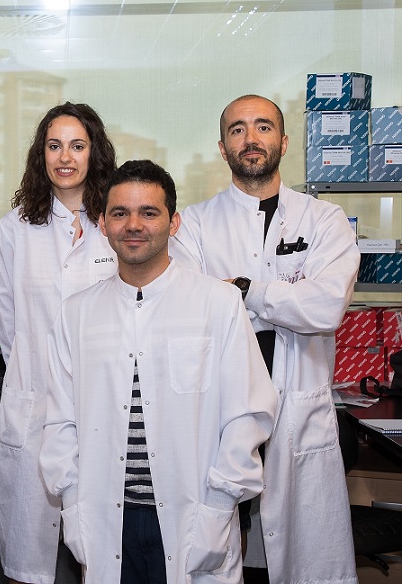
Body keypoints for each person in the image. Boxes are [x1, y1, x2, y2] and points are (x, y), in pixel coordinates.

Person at [40, 159, 276, 584]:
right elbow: (60, 423)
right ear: (102, 223)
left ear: (174, 222)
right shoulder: (76, 313)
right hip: (108, 519)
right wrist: (73, 504)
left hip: (195, 513)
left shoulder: (217, 304)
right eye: (120, 213)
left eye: (149, 212)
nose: (134, 225)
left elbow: (248, 415)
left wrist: (220, 506)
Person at [171, 95, 359, 583]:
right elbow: (192, 310)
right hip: (220, 404)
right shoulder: (194, 223)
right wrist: (283, 300)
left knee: (302, 556)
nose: (251, 139)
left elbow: (325, 307)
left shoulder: (325, 220)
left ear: (283, 140)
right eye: (237, 130)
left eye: (263, 127)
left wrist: (248, 292)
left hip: (299, 408)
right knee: (221, 541)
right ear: (222, 145)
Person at [0, 102, 117, 584]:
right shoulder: (15, 229)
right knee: (34, 561)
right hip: (35, 406)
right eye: (54, 145)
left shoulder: (116, 224)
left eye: (77, 145)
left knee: (104, 552)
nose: (64, 157)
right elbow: (9, 325)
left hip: (103, 405)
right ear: (40, 154)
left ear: (95, 153)